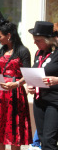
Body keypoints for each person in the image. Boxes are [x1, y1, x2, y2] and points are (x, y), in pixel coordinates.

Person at [0, 11, 32, 150]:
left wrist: (17, 83)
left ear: (9, 35)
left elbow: (28, 75)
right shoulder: (1, 51)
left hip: (16, 93)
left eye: (0, 36)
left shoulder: (23, 51)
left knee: (14, 129)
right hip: (0, 93)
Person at [27, 21, 58, 150]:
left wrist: (57, 80)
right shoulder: (39, 54)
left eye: (38, 40)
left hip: (54, 102)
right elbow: (36, 73)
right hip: (39, 101)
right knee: (42, 139)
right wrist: (30, 85)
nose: (35, 43)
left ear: (49, 40)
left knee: (49, 141)